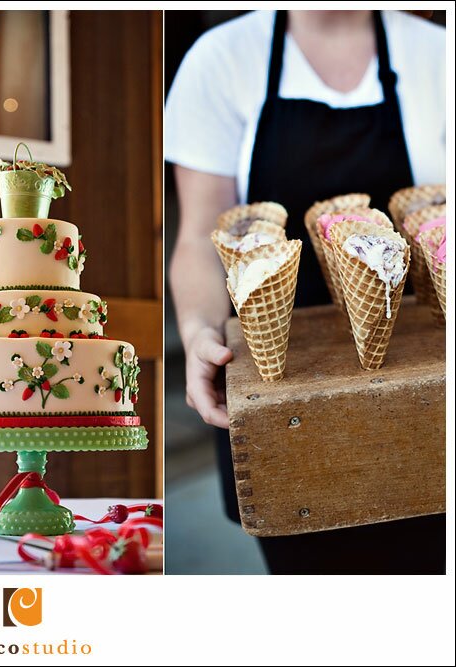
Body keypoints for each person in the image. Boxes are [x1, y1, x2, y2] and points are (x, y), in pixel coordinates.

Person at [164, 10, 445, 574]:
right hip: (281, 398)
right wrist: (198, 331)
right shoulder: (221, 59)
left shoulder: (440, 53)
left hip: (429, 386)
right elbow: (199, 234)